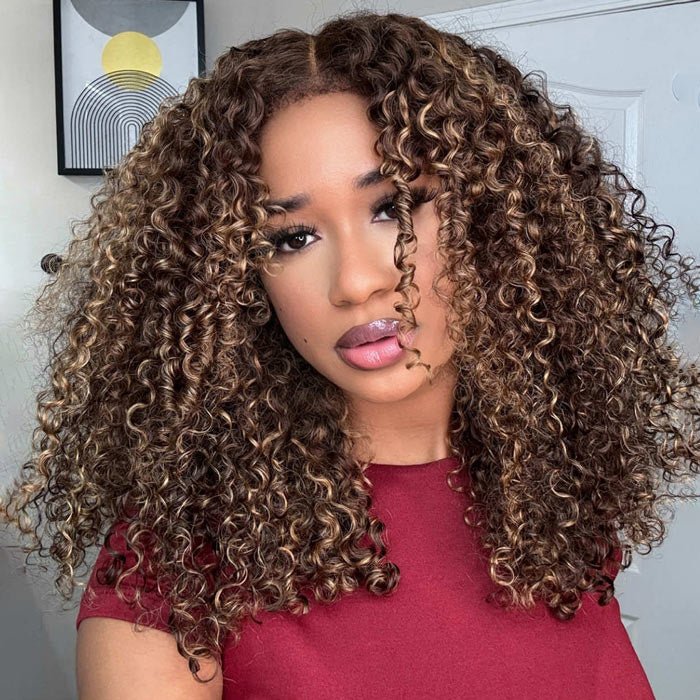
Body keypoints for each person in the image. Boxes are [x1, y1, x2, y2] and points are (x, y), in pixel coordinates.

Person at [2, 9, 697, 699]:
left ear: (496, 219)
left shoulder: (552, 495)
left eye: (395, 205)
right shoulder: (178, 562)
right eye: (291, 238)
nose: (356, 282)